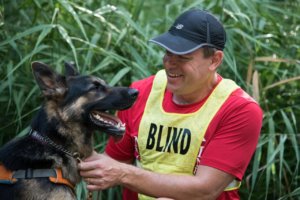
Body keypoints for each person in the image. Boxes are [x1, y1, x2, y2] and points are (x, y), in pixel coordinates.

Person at [79, 8, 263, 200]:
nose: (170, 63)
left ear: (214, 60)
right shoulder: (141, 92)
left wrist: (124, 174)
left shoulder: (239, 109)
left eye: (183, 57)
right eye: (168, 52)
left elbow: (205, 190)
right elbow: (113, 163)